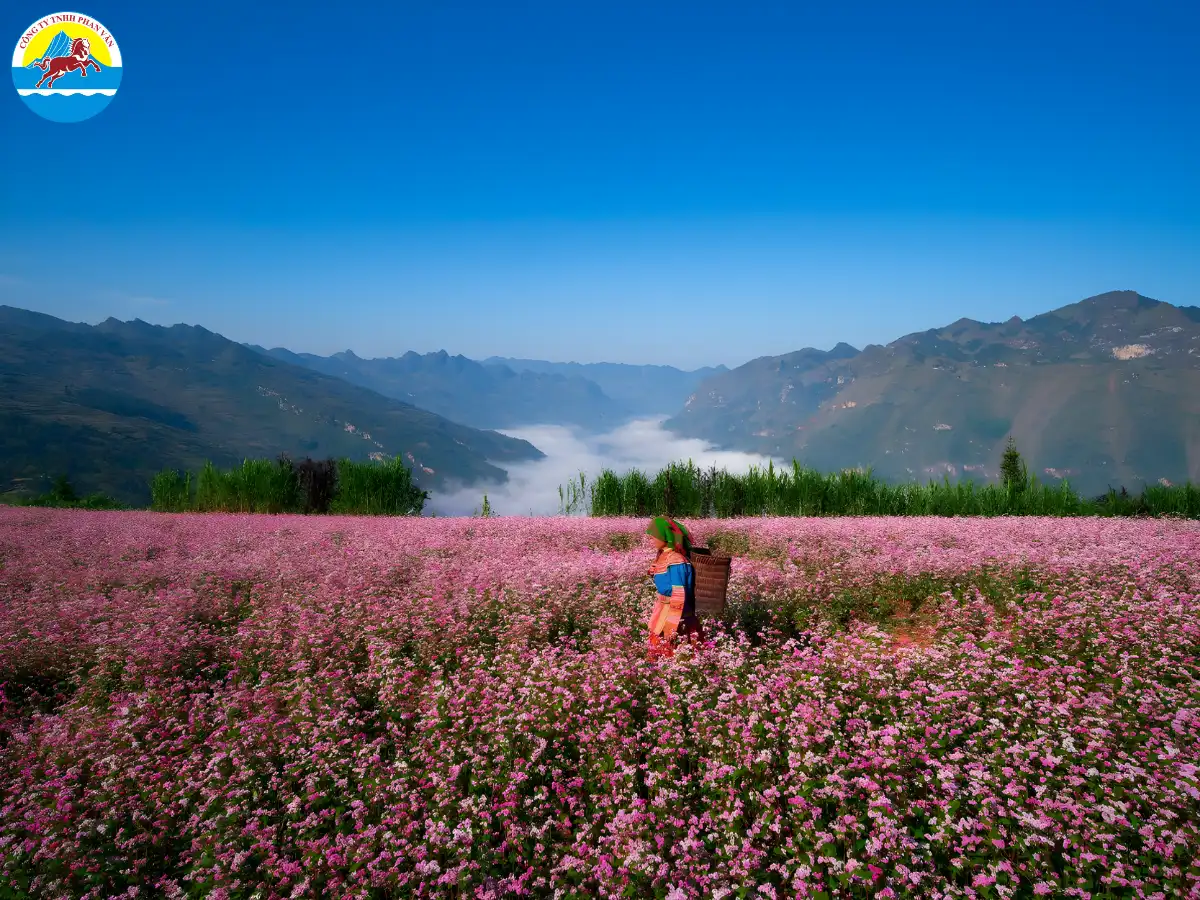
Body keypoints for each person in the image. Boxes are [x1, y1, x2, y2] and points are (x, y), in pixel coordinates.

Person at [645, 515, 703, 657]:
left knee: (674, 650)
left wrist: (671, 626)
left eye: (653, 536)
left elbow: (679, 592)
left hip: (676, 613)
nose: (650, 539)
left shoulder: (676, 560)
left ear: (664, 536)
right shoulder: (664, 555)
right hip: (664, 608)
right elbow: (664, 578)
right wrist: (654, 572)